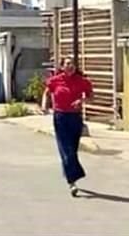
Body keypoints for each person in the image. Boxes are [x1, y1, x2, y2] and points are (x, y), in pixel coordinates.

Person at [41, 57, 94, 196]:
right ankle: (72, 182)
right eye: (68, 64)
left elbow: (91, 96)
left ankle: (70, 173)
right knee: (66, 149)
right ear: (62, 66)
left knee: (73, 150)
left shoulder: (82, 81)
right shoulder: (55, 80)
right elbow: (47, 93)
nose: (71, 66)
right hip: (61, 117)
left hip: (75, 117)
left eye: (73, 64)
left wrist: (81, 100)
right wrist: (44, 106)